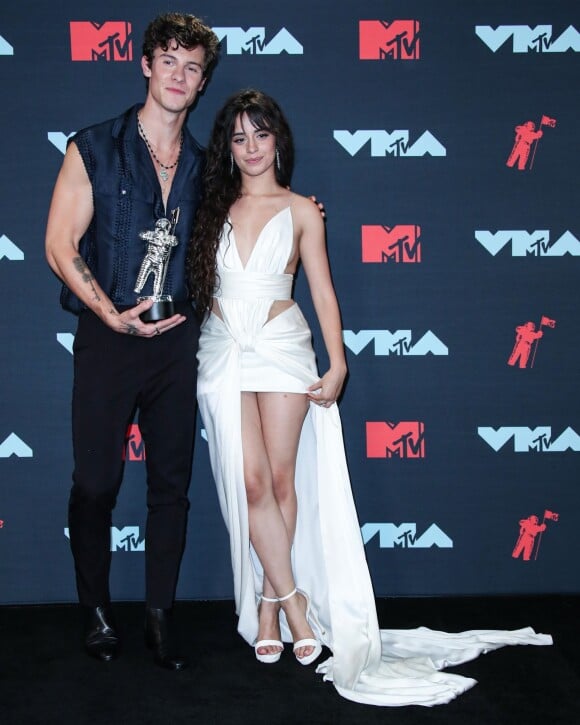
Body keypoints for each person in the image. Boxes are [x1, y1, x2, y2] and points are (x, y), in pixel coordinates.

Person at [188, 89, 552, 706]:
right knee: (248, 484)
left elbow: (324, 292)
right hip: (223, 350)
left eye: (261, 134)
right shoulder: (209, 206)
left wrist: (339, 362)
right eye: (238, 137)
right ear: (227, 147)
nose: (250, 148)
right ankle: (294, 604)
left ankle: (272, 615)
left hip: (281, 346)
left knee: (279, 482)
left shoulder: (304, 210)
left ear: (280, 140)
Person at [44, 13, 219, 669]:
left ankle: (158, 616)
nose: (179, 75)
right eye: (168, 60)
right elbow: (58, 245)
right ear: (145, 65)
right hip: (108, 335)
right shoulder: (94, 146)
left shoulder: (205, 166)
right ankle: (94, 609)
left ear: (202, 83)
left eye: (192, 66)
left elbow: (258, 202)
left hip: (178, 338)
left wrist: (300, 209)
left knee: (171, 486)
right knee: (96, 481)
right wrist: (110, 315)